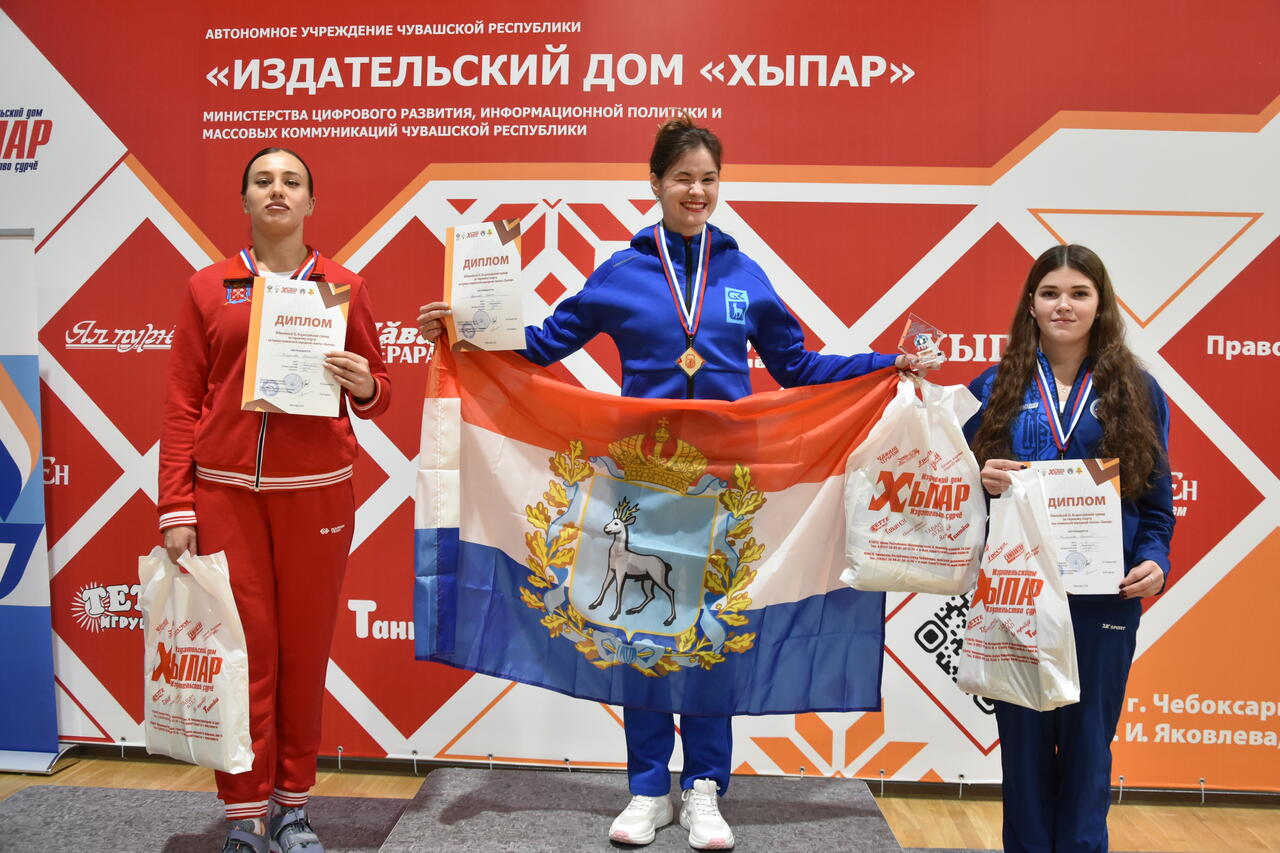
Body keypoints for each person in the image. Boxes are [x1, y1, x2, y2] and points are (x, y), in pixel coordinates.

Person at [419, 116, 925, 850]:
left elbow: (797, 365)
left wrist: (884, 365)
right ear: (654, 182)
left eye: (709, 179)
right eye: (683, 177)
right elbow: (541, 346)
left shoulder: (744, 275)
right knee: (641, 635)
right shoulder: (621, 274)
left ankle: (705, 787)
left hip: (726, 489)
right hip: (642, 481)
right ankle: (649, 787)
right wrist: (464, 329)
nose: (697, 191)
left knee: (713, 634)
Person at [158, 147, 391, 853]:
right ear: (245, 200)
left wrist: (364, 384)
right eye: (263, 180)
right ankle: (244, 814)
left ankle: (291, 806)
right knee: (241, 657)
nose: (277, 190)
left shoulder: (343, 286)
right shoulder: (208, 287)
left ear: (311, 202)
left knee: (302, 658)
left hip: (317, 498)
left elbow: (380, 388)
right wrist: (176, 506)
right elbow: (182, 403)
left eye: (292, 181)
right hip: (225, 497)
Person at [963, 244, 1174, 853]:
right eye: (1050, 293)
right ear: (1030, 304)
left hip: (1104, 596)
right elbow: (953, 495)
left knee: (1088, 749)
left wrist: (1155, 559)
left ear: (1100, 305)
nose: (1064, 305)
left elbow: (1157, 504)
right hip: (1017, 594)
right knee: (1024, 749)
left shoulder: (1138, 390)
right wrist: (979, 479)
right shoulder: (992, 386)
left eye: (1079, 293)